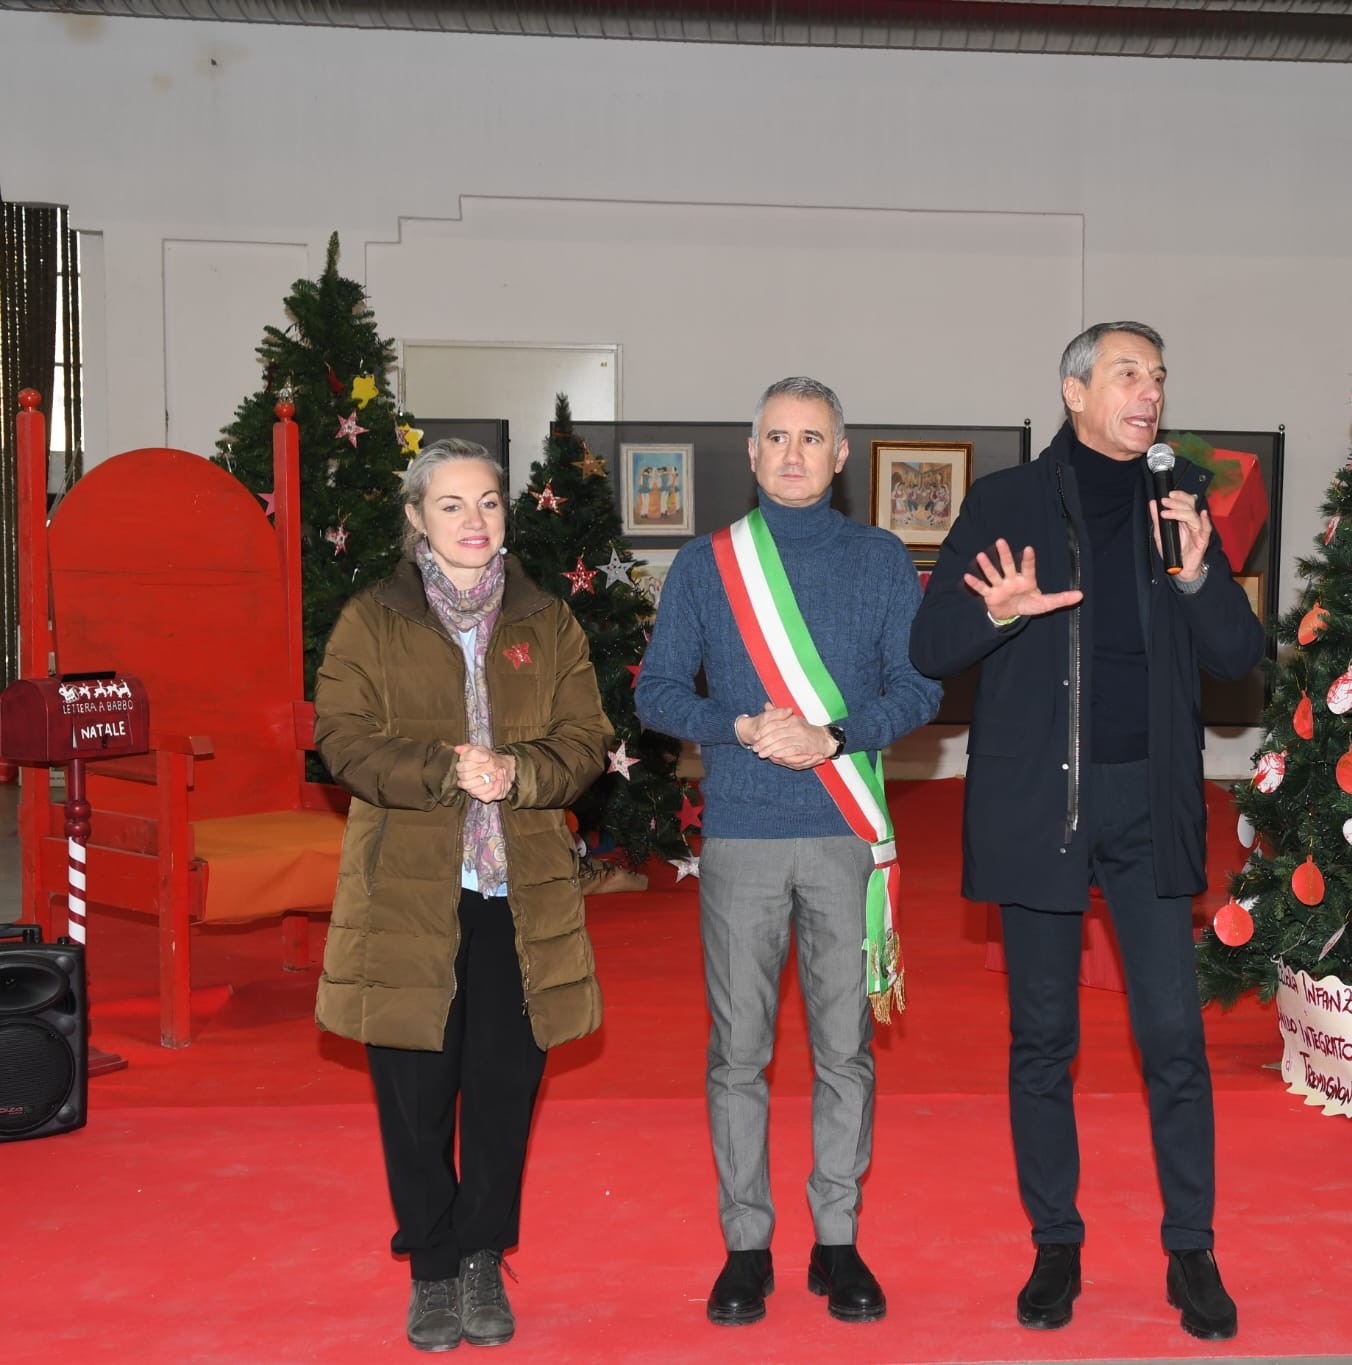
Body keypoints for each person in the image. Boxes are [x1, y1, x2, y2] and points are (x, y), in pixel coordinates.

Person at [908, 322, 1264, 1341]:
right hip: (1041, 802)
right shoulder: (1006, 501)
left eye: (1157, 376)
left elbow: (1239, 657)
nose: (1148, 391)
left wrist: (1197, 577)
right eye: (1126, 373)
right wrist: (1001, 613)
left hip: (1150, 802)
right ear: (1074, 392)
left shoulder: (1182, 497)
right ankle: (1054, 1243)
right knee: (1042, 1038)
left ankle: (1191, 1249)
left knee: (1173, 1039)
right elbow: (930, 646)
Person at [637, 376, 941, 1328]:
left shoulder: (881, 559)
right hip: (741, 839)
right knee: (739, 1053)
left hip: (846, 835)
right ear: (753, 452)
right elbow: (655, 692)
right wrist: (737, 725)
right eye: (778, 437)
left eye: (813, 438)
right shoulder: (706, 564)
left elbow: (919, 688)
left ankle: (837, 1240)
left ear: (841, 455)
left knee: (845, 1049)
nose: (794, 453)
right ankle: (746, 1244)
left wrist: (834, 737)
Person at [314, 438, 610, 1353]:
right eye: (451, 504)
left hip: (518, 892)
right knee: (414, 1091)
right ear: (416, 518)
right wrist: (449, 769)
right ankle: (432, 1267)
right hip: (409, 890)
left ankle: (482, 1253)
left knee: (502, 1086)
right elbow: (343, 740)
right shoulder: (372, 620)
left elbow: (586, 739)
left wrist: (518, 772)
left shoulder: (548, 621)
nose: (474, 521)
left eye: (487, 502)